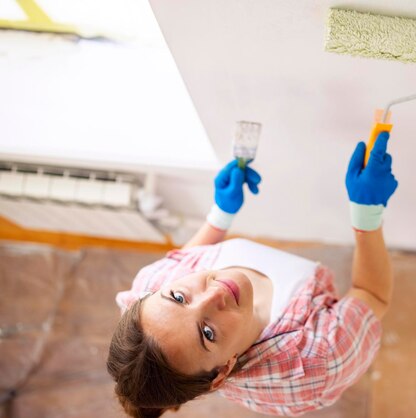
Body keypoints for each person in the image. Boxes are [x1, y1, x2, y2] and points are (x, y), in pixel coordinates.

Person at [107, 132, 399, 417]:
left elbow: (183, 259)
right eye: (207, 333)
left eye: (179, 296)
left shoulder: (149, 291)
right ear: (223, 371)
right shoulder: (317, 358)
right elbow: (372, 294)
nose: (215, 293)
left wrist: (220, 215)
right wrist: (367, 216)